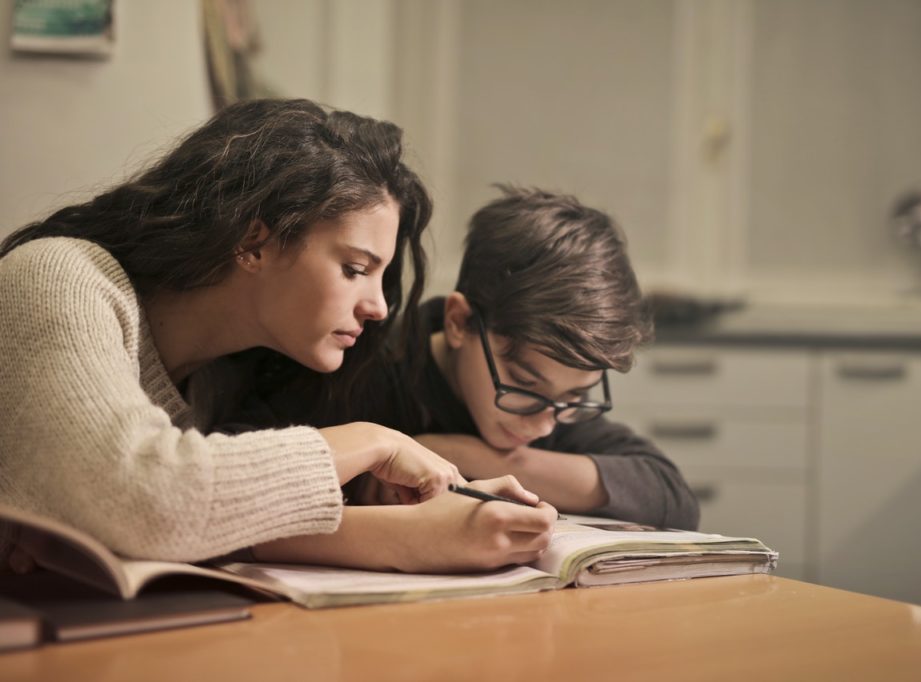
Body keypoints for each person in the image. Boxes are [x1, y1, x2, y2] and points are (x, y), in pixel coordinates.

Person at [0, 100, 555, 572]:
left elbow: (207, 522)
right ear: (254, 242)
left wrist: (422, 525)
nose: (380, 307)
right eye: (356, 268)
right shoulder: (60, 277)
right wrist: (372, 441)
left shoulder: (224, 378)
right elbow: (150, 501)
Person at [257, 186, 699, 529]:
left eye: (575, 397)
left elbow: (670, 495)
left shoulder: (553, 406)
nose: (543, 424)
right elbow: (243, 474)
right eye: (524, 384)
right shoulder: (357, 366)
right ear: (458, 322)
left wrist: (480, 458)